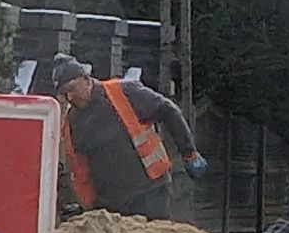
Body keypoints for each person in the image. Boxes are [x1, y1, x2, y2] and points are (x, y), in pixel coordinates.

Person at [46, 55, 206, 221]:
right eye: (64, 94)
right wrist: (88, 206)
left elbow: (168, 110)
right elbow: (80, 168)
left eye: (72, 89)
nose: (70, 97)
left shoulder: (123, 92)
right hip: (111, 205)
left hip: (150, 191)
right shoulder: (72, 122)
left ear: (86, 79)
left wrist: (189, 153)